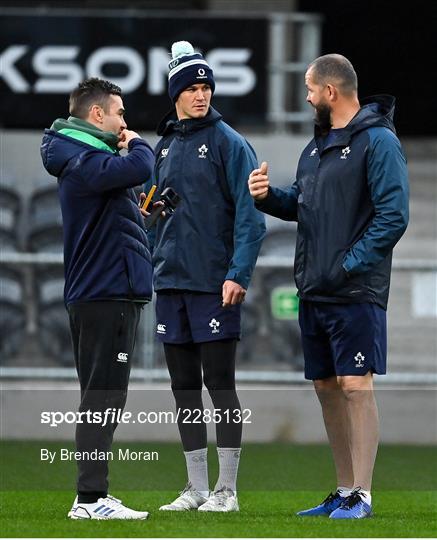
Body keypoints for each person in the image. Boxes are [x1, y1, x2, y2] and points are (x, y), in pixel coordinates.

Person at [248, 54, 409, 519]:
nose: (307, 97)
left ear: (331, 92)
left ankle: (363, 494)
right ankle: (342, 492)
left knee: (356, 386)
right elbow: (304, 204)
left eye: (310, 89)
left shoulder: (378, 141)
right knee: (326, 388)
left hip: (355, 290)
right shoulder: (316, 148)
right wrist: (268, 198)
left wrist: (348, 265)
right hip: (315, 290)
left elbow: (393, 216)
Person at [144, 41, 266, 513]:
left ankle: (227, 491)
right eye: (192, 87)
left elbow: (251, 216)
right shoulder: (166, 144)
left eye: (205, 87)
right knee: (183, 389)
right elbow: (153, 215)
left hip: (213, 285)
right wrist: (150, 223)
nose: (201, 95)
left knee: (220, 385)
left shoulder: (229, 143)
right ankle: (196, 488)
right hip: (171, 284)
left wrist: (238, 273)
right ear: (175, 93)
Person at [41, 77, 154, 520]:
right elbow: (140, 166)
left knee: (102, 394)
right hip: (104, 294)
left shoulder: (85, 160)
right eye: (121, 113)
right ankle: (90, 499)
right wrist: (138, 143)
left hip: (104, 291)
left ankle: (93, 496)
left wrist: (141, 215)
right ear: (97, 115)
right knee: (102, 396)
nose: (125, 122)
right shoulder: (84, 159)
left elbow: (111, 213)